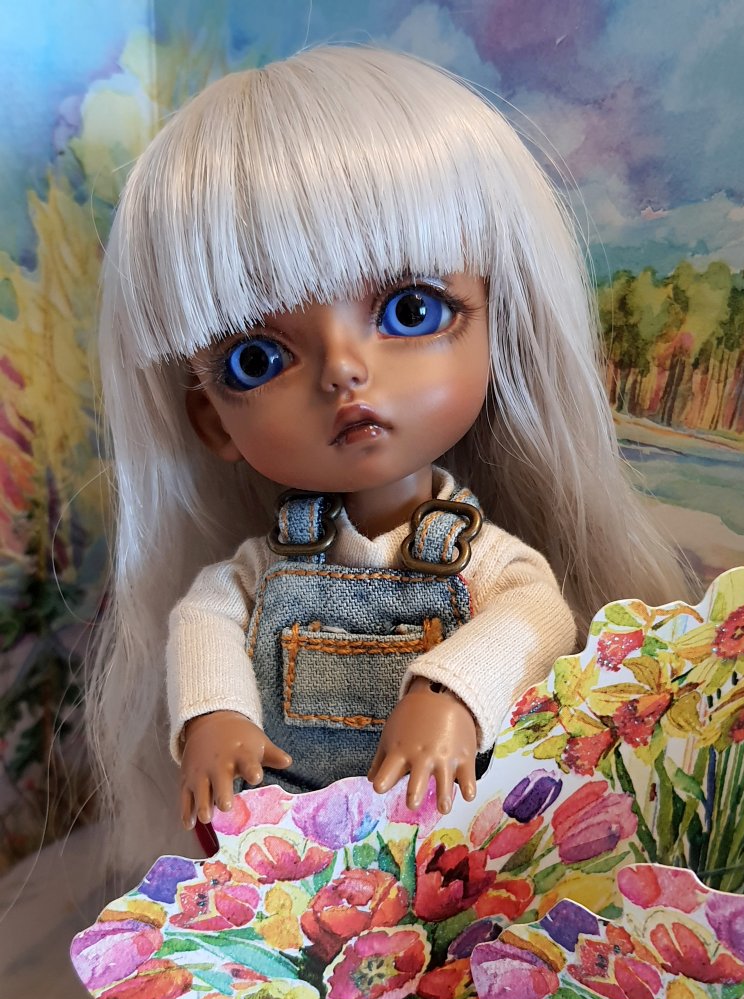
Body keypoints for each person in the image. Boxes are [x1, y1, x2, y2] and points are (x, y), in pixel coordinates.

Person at [88, 46, 689, 877]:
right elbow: (205, 619)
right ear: (210, 419)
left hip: (450, 846)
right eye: (257, 359)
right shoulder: (266, 567)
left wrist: (451, 690)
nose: (344, 371)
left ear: (499, 325)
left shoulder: (479, 557)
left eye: (411, 310)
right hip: (306, 847)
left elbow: (535, 615)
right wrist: (213, 713)